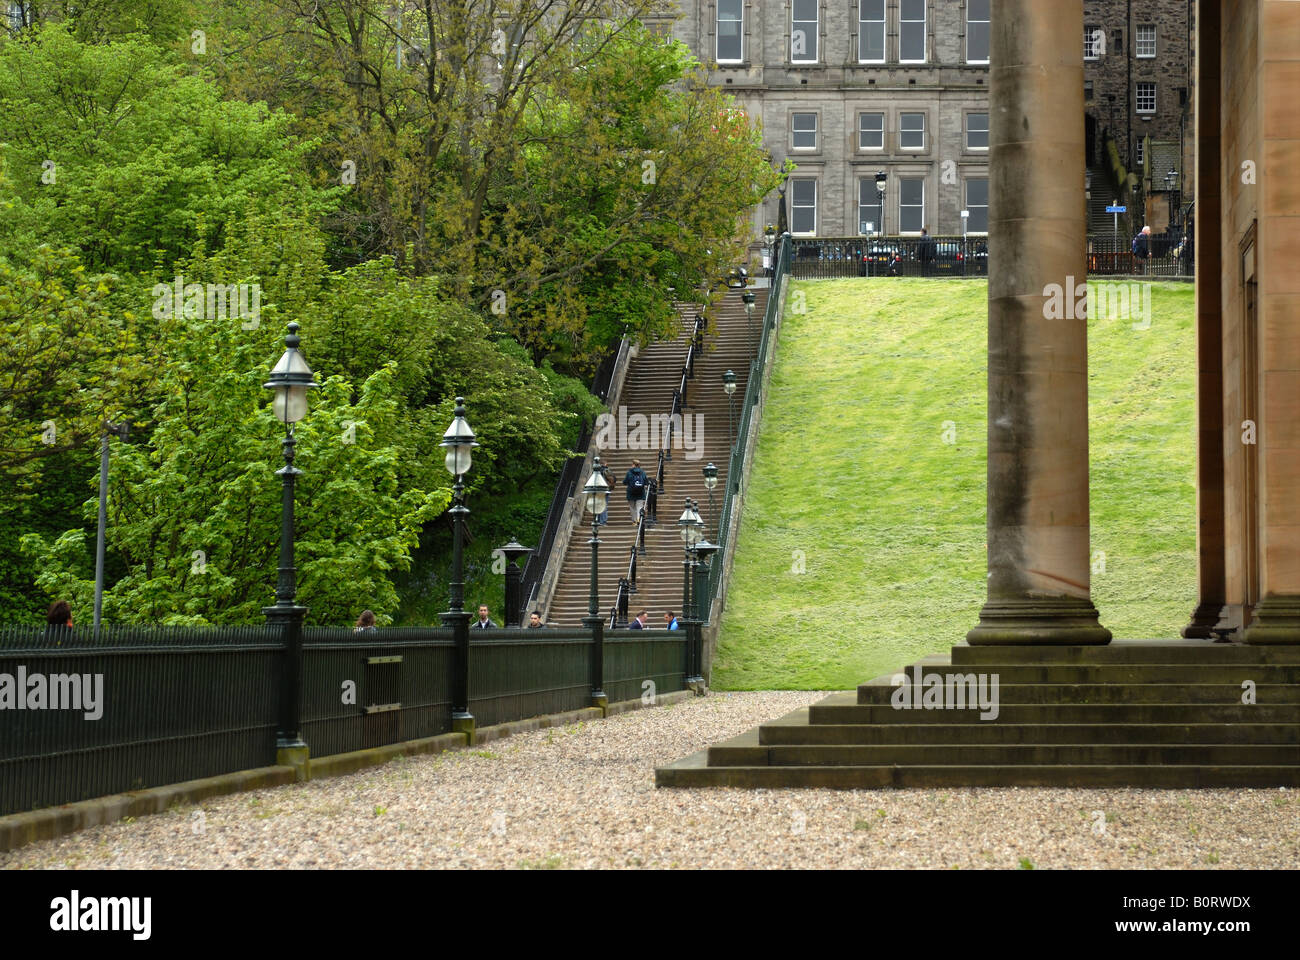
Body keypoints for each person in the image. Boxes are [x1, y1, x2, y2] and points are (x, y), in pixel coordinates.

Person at [623, 459, 648, 524]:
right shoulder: (643, 472)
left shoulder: (629, 472)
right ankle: (639, 519)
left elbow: (625, 482)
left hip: (631, 493)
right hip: (641, 492)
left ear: (633, 464)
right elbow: (646, 482)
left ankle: (634, 521)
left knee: (632, 507)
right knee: (639, 507)